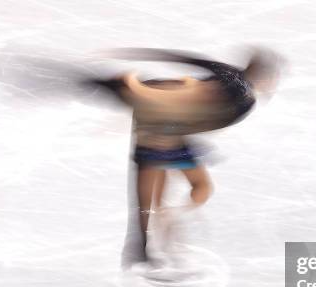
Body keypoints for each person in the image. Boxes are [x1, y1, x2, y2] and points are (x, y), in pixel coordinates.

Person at [95, 47, 282, 266]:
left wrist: (132, 54)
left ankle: (151, 239)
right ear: (263, 76)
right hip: (165, 127)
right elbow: (204, 109)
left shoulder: (229, 74)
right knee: (193, 188)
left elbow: (186, 60)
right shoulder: (243, 99)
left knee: (168, 192)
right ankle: (155, 235)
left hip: (164, 123)